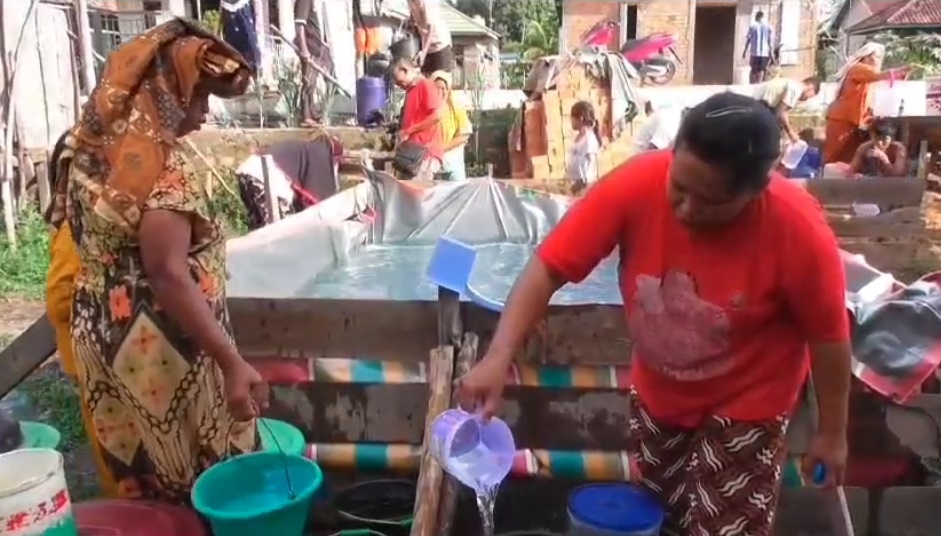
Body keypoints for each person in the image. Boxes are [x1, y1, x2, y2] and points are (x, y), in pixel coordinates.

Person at [457, 92, 851, 535]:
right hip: (661, 393)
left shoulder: (798, 230)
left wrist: (832, 434)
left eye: (708, 201)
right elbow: (548, 268)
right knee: (660, 518)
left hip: (751, 399)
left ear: (756, 190)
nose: (685, 208)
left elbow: (829, 336)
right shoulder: (635, 184)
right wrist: (497, 356)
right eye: (678, 187)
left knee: (724, 528)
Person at [45, 19, 269, 502]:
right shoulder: (164, 167)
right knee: (200, 478)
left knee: (139, 478)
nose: (205, 112)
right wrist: (231, 363)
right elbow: (168, 273)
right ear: (163, 92)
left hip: (102, 333)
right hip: (165, 351)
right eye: (197, 96)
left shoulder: (83, 145)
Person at [44, 131, 120, 498]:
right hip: (93, 366)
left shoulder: (98, 224)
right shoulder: (76, 233)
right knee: (116, 457)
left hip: (110, 363)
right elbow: (59, 299)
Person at [823, 42, 909, 165]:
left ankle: (841, 180)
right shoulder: (859, 68)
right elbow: (879, 76)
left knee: (848, 156)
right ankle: (822, 180)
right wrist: (902, 70)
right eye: (877, 56)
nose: (879, 60)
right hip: (842, 119)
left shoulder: (868, 75)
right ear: (867, 56)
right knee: (833, 154)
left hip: (854, 121)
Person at [235, 133, 343, 229]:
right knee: (281, 233)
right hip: (265, 174)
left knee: (260, 230)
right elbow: (318, 203)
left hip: (248, 170)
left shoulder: (306, 151)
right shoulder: (320, 157)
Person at [392, 57, 444, 181]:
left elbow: (436, 116)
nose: (400, 85)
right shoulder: (410, 91)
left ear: (406, 70)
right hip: (411, 156)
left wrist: (409, 131)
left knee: (417, 197)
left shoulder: (425, 85)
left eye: (400, 81)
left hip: (424, 155)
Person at [294, 0, 333, 127]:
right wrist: (304, 49)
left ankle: (312, 112)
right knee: (308, 82)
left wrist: (323, 44)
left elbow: (316, 24)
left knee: (313, 82)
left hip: (317, 46)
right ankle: (306, 116)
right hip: (309, 47)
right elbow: (300, 25)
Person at [431, 71, 472, 181]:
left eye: (444, 88)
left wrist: (443, 148)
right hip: (433, 165)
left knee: (457, 194)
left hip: (453, 164)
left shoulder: (455, 106)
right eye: (437, 88)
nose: (441, 91)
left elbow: (464, 134)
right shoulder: (427, 108)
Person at [754, 76, 821, 143]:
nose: (806, 99)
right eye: (809, 97)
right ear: (811, 88)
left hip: (756, 105)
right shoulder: (795, 89)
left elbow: (781, 112)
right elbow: (781, 112)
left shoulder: (791, 83)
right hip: (757, 107)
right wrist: (790, 133)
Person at [407, 0, 454, 76]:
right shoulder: (410, 1)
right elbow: (413, 19)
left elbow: (432, 28)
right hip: (426, 44)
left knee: (440, 81)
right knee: (425, 82)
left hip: (440, 45)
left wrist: (424, 53)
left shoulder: (428, 2)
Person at [566, 101, 602, 191]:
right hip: (573, 184)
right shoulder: (578, 137)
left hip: (583, 188)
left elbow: (591, 164)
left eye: (572, 118)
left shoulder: (589, 140)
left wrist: (582, 184)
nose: (571, 121)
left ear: (580, 119)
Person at [743, 11, 774, 84]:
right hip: (764, 54)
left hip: (754, 53)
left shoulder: (753, 26)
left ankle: (753, 85)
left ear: (757, 17)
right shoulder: (768, 27)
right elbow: (770, 42)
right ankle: (759, 84)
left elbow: (748, 40)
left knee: (754, 69)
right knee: (761, 70)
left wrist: (744, 51)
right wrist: (772, 55)